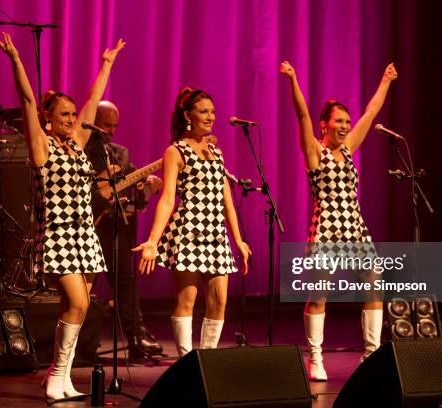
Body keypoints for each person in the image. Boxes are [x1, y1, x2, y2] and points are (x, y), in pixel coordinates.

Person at [0, 32, 124, 403]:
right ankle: (55, 374)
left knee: (76, 306)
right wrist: (16, 60)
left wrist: (107, 64)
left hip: (85, 236)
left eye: (72, 115)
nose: (71, 119)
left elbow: (92, 102)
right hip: (59, 234)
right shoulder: (43, 145)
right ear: (48, 118)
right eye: (63, 115)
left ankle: (61, 377)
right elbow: (27, 98)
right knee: (79, 303)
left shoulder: (77, 145)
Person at [280, 60, 398, 381]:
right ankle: (315, 357)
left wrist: (385, 80)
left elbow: (370, 113)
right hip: (327, 227)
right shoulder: (316, 153)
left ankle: (371, 354)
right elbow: (302, 115)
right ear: (324, 125)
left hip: (355, 227)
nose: (345, 125)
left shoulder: (348, 150)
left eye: (347, 121)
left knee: (374, 287)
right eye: (338, 121)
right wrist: (293, 79)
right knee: (319, 293)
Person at [133, 87, 252, 357]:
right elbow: (167, 199)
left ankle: (207, 361)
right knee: (187, 300)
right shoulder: (176, 151)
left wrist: (239, 240)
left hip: (215, 234)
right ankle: (187, 362)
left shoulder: (216, 152)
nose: (210, 116)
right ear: (188, 115)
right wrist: (153, 240)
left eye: (212, 111)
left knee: (219, 301)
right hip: (188, 232)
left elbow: (227, 202)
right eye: (203, 111)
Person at [84, 100, 164, 358]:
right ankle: (80, 344)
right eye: (106, 125)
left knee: (125, 282)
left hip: (115, 226)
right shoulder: (80, 149)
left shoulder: (120, 153)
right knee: (83, 286)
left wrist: (147, 188)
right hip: (87, 227)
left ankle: (135, 339)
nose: (111, 131)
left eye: (115, 126)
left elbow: (134, 196)